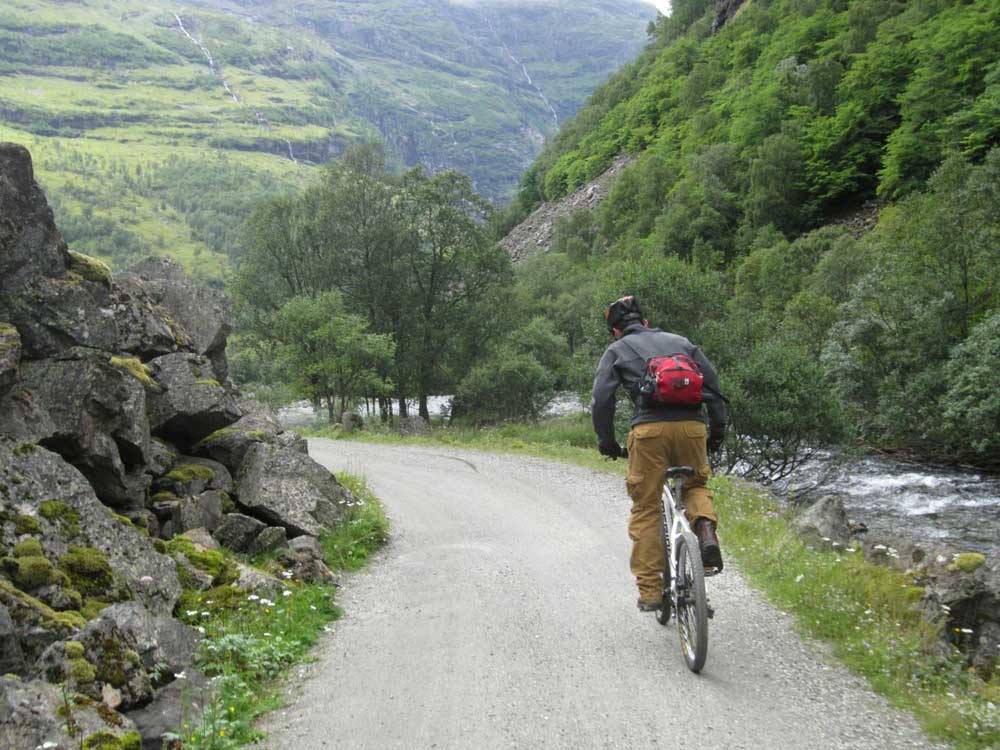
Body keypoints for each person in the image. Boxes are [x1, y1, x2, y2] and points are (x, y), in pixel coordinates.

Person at [591, 295, 727, 612]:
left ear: (615, 331)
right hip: (693, 428)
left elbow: (601, 400)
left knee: (647, 507)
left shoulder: (616, 350)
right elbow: (714, 387)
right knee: (695, 486)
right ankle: (705, 532)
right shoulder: (681, 342)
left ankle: (651, 591)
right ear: (645, 322)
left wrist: (606, 441)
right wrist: (717, 431)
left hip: (649, 433)